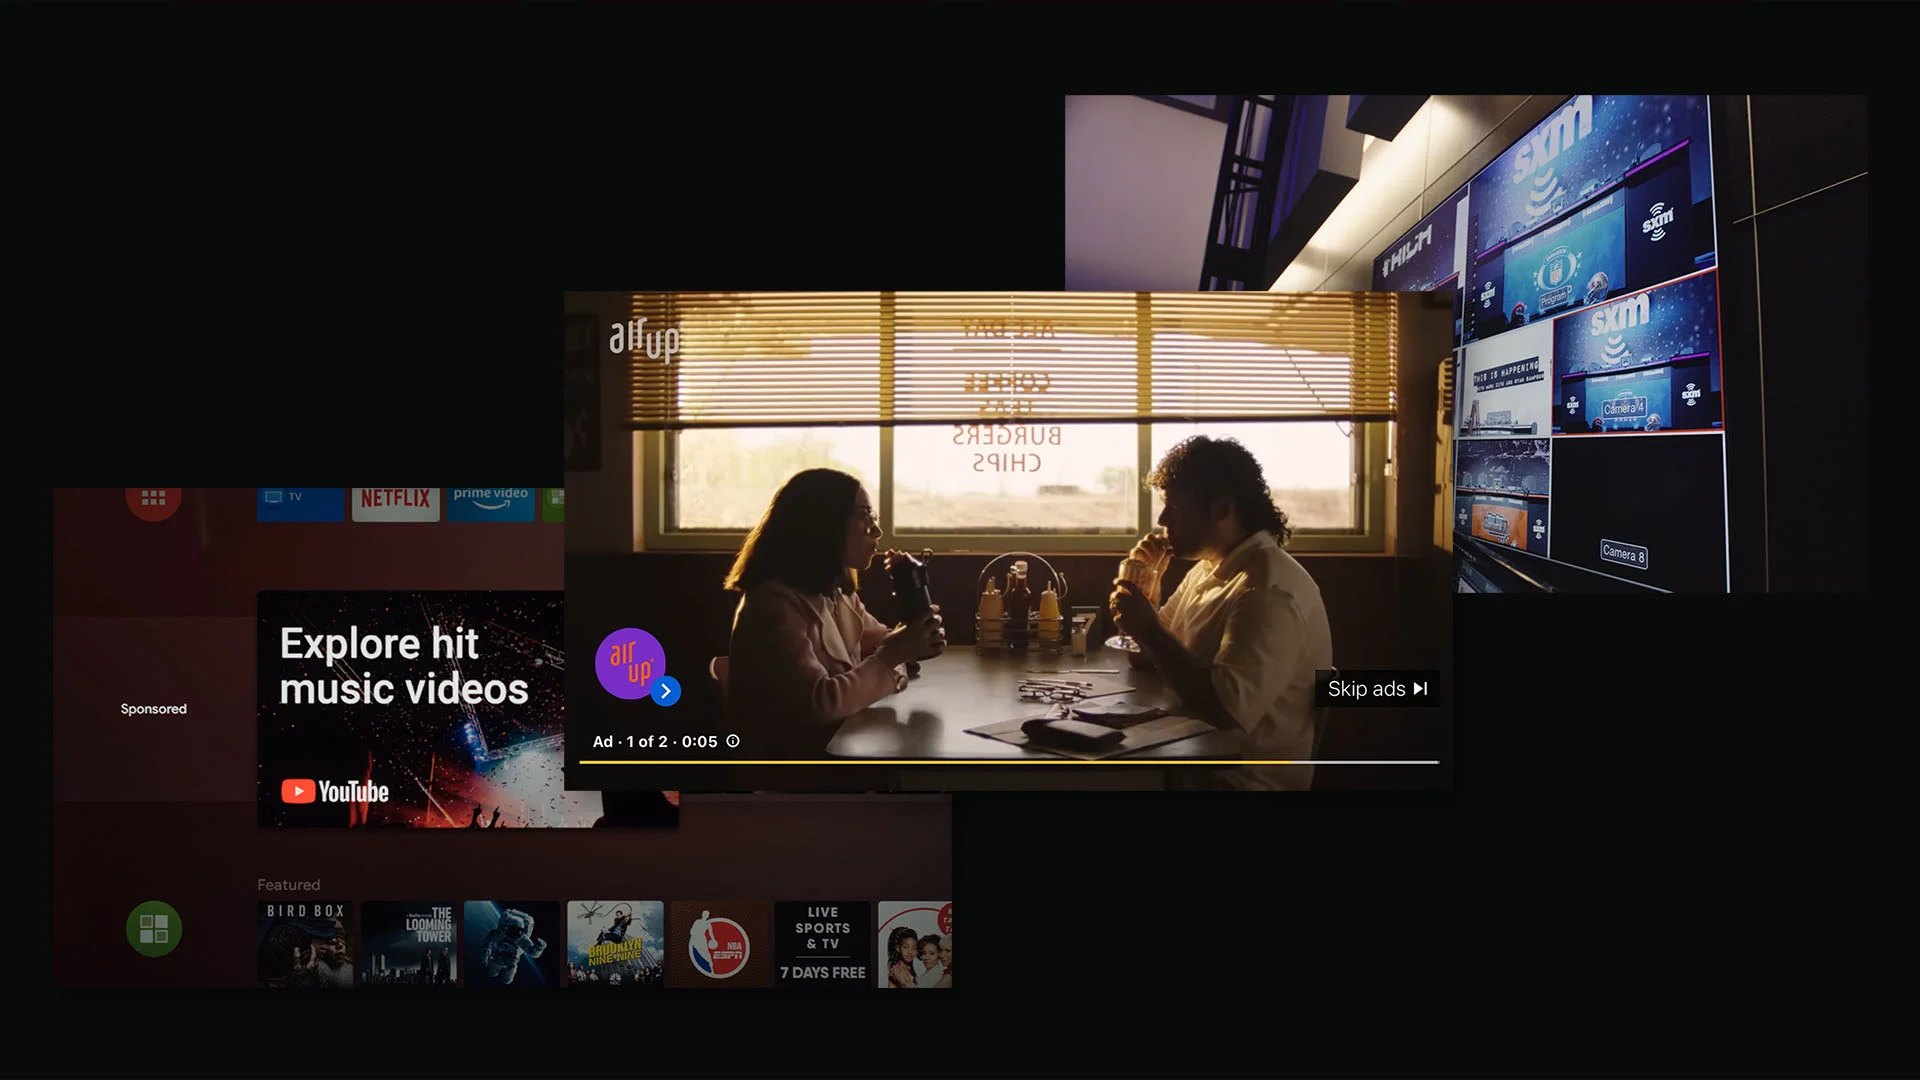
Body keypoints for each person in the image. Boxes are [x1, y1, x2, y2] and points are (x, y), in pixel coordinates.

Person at [1108, 436, 1334, 791]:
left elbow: (1225, 711)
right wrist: (1145, 589)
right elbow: (1149, 659)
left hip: (1236, 783)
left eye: (1175, 509)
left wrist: (1149, 631)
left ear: (1222, 510)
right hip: (1189, 758)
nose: (1162, 518)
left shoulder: (1267, 592)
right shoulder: (1209, 569)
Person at [723, 469, 945, 755]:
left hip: (837, 749)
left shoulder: (834, 594)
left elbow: (885, 647)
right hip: (794, 775)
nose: (877, 531)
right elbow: (820, 704)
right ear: (824, 522)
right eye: (865, 516)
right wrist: (893, 657)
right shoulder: (772, 605)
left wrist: (904, 648)